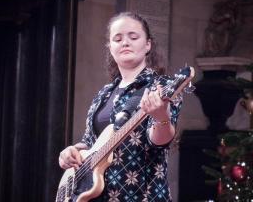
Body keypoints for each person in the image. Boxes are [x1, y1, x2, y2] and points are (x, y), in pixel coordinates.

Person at [58, 12, 182, 202]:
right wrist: (71, 152)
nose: (125, 42)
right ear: (110, 47)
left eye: (133, 37)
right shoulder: (105, 93)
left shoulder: (160, 87)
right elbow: (90, 142)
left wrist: (160, 116)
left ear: (148, 44)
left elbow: (159, 141)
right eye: (118, 39)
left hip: (141, 196)